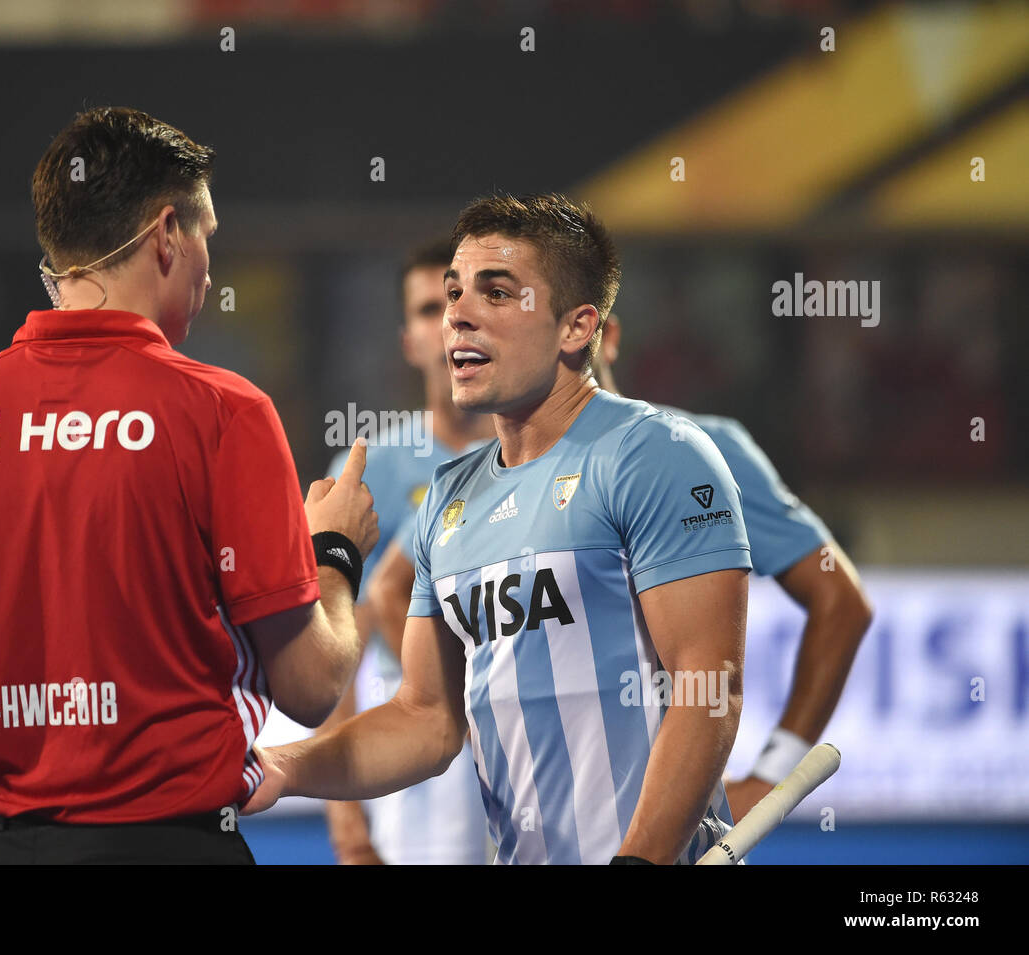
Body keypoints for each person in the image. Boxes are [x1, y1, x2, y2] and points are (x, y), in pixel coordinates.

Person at [0, 106, 377, 864]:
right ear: (166, 235)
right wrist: (335, 549)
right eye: (208, 238)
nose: (211, 268)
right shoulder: (225, 411)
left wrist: (48, 772)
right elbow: (311, 687)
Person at [247, 193, 752, 865]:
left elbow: (707, 685)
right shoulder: (448, 498)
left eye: (495, 292)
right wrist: (282, 765)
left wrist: (641, 860)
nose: (457, 313)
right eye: (454, 292)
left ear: (577, 328)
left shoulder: (656, 454)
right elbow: (425, 719)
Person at [366, 311, 874, 825]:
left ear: (597, 334)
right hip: (525, 820)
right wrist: (477, 725)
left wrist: (771, 776)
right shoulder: (489, 470)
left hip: (660, 830)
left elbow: (840, 602)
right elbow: (392, 587)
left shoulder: (693, 451)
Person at [319, 239, 496, 865]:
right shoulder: (369, 471)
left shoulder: (549, 459)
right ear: (410, 341)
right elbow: (342, 648)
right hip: (424, 758)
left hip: (539, 734)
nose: (449, 320)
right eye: (429, 308)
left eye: (463, 300)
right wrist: (348, 825)